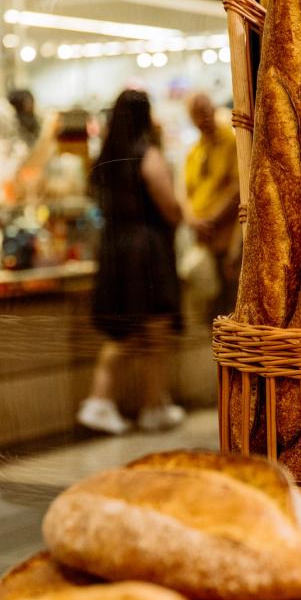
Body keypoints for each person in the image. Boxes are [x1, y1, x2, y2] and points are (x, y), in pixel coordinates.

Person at [77, 89, 186, 434]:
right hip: (146, 251)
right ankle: (121, 403)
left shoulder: (105, 160)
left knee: (126, 330)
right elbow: (169, 208)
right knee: (152, 331)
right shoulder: (147, 154)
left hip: (114, 250)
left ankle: (144, 403)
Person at [184, 93, 241, 318]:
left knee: (229, 302)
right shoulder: (194, 151)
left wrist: (213, 219)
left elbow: (237, 187)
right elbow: (187, 192)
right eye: (198, 113)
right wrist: (192, 219)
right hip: (204, 238)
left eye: (207, 110)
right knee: (212, 303)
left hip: (227, 237)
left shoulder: (230, 141)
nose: (204, 117)